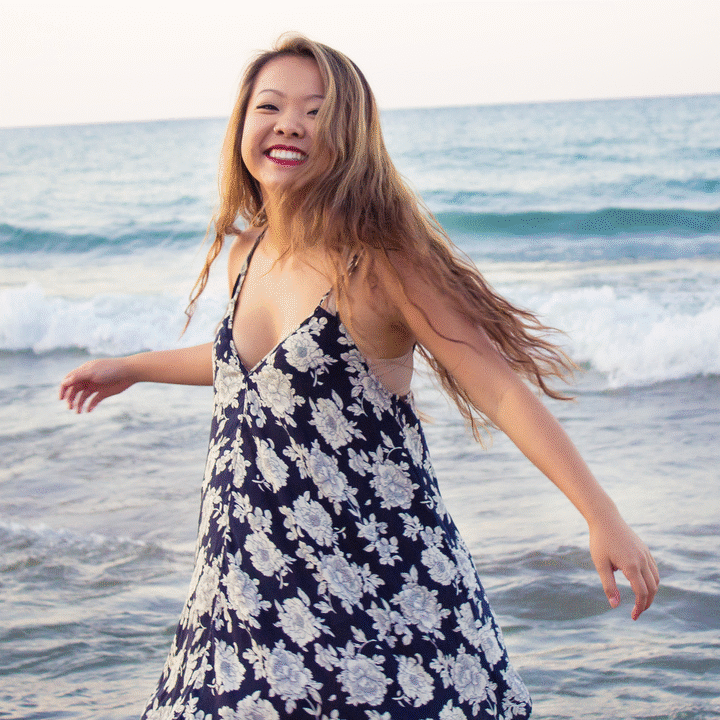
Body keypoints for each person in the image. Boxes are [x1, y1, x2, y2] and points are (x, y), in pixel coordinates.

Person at [59, 34, 659, 720]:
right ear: (241, 125)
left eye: (316, 112)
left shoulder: (382, 260)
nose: (289, 123)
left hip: (375, 583)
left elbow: (496, 386)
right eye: (270, 106)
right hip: (246, 577)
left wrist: (602, 516)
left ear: (352, 136)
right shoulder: (245, 252)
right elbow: (250, 369)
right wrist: (132, 368)